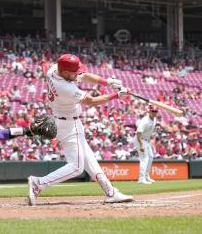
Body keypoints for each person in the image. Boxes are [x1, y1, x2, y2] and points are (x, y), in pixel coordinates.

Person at [27, 53, 134, 206]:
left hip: (64, 121)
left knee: (89, 159)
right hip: (69, 125)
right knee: (77, 167)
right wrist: (117, 95)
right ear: (65, 72)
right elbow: (90, 101)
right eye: (73, 72)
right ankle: (39, 183)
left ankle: (110, 192)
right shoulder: (65, 87)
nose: (77, 73)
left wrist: (107, 82)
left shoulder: (53, 70)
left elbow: (83, 76)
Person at [135, 105, 158, 184]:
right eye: (153, 111)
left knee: (151, 157)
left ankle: (146, 176)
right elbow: (138, 133)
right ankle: (141, 179)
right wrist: (141, 144)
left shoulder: (154, 119)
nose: (154, 113)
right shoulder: (145, 120)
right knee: (144, 158)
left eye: (155, 111)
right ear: (149, 111)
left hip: (147, 140)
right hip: (140, 139)